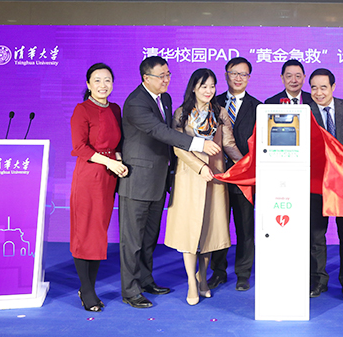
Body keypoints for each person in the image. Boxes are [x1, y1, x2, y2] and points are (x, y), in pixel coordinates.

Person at [118, 56, 213, 309]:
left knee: (149, 237)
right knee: (132, 240)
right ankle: (130, 291)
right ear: (146, 78)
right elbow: (160, 132)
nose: (166, 79)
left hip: (159, 180)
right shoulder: (136, 102)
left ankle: (146, 280)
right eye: (161, 76)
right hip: (137, 180)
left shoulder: (166, 99)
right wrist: (198, 144)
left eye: (168, 74)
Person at [164, 68, 243, 305]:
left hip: (215, 178)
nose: (208, 91)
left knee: (210, 231)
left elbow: (229, 144)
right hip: (189, 177)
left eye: (212, 86)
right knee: (189, 233)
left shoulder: (220, 112)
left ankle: (203, 277)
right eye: (203, 86)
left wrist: (245, 165)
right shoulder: (181, 113)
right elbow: (178, 147)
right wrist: (200, 167)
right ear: (193, 88)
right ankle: (191, 281)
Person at [70, 63, 128, 312]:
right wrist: (110, 163)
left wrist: (119, 161)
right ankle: (87, 290)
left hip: (109, 176)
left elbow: (118, 142)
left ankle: (88, 287)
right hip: (89, 175)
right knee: (85, 232)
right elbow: (80, 147)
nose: (103, 85)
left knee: (98, 233)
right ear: (88, 84)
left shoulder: (115, 108)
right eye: (97, 80)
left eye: (107, 80)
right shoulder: (82, 109)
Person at [308, 68, 343, 301]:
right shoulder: (305, 111)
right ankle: (318, 281)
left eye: (323, 87)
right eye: (313, 87)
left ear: (333, 87)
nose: (318, 92)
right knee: (315, 236)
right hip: (315, 184)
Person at [208, 57, 261, 292]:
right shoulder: (212, 102)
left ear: (249, 78)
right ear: (226, 75)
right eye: (234, 73)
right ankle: (218, 272)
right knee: (218, 224)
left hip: (244, 177)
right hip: (217, 175)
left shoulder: (258, 107)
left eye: (243, 74)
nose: (238, 78)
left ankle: (243, 274)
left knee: (245, 227)